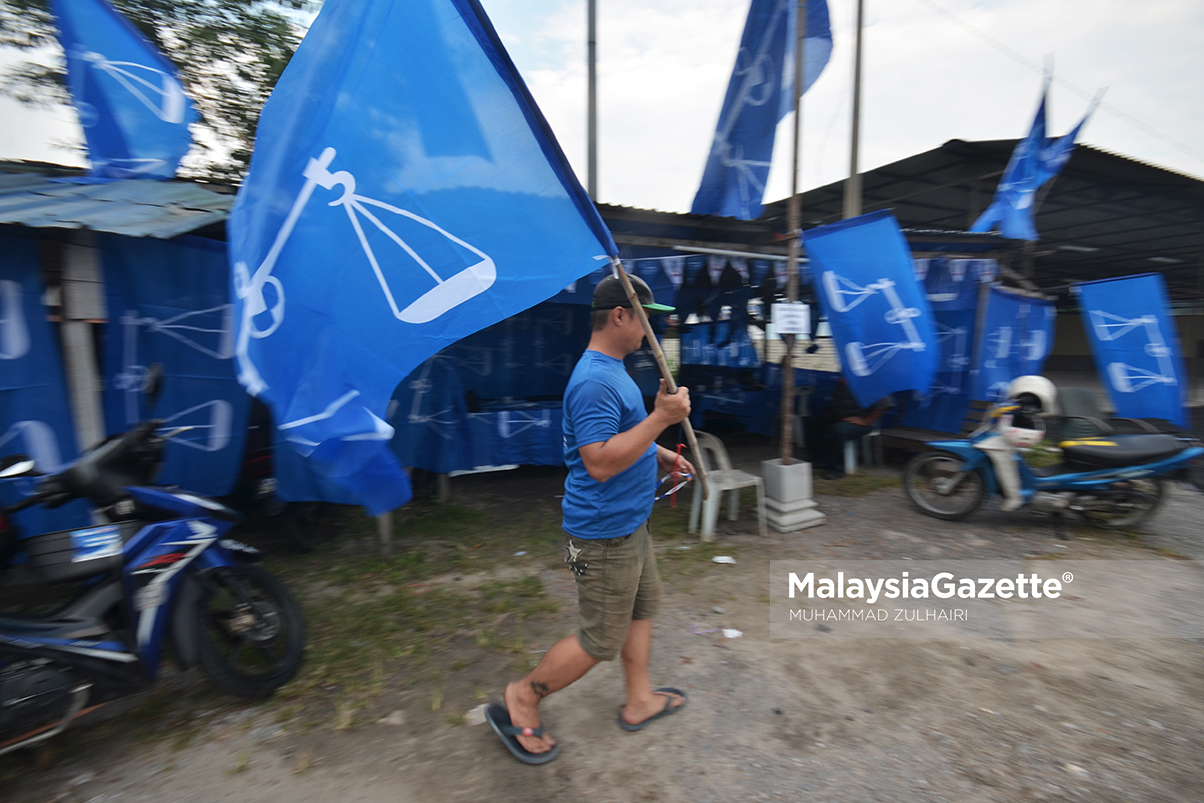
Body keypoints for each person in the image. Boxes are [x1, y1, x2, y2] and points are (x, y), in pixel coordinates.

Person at [486, 274, 696, 765]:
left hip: (630, 524)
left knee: (642, 609)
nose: (650, 331)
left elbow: (623, 434)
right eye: (645, 319)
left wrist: (660, 452)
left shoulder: (614, 370)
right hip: (602, 536)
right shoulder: (596, 380)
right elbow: (599, 462)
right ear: (620, 316)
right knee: (600, 638)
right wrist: (662, 419)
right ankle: (524, 694)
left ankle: (640, 699)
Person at [804, 377, 892, 480]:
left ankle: (836, 469)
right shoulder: (843, 381)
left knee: (838, 430)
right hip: (838, 417)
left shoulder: (870, 381)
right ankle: (819, 459)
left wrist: (866, 421)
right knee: (811, 422)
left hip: (860, 422)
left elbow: (885, 404)